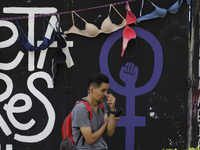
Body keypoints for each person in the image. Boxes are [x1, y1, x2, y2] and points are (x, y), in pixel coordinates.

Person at [71, 72, 119, 150]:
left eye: (107, 90)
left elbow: (110, 132)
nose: (106, 94)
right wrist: (108, 122)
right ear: (92, 89)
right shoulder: (81, 108)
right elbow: (90, 140)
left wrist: (112, 110)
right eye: (103, 90)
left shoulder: (102, 106)